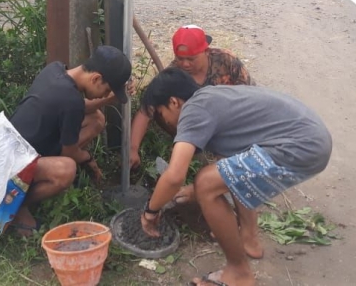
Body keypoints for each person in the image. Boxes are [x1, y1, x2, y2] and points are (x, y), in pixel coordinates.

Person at [139, 68, 332, 286]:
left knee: (205, 182)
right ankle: (249, 239)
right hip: (314, 141)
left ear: (173, 102)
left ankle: (239, 274)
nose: (164, 124)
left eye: (160, 116)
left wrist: (150, 211)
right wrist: (195, 191)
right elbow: (231, 165)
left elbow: (174, 176)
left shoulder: (193, 109)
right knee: (226, 171)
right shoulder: (214, 98)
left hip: (301, 145)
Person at [8, 45, 132, 234]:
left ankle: (29, 186)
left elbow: (77, 107)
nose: (105, 95)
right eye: (106, 90)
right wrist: (89, 160)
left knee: (96, 119)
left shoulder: (56, 70)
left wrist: (108, 100)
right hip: (14, 164)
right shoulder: (70, 101)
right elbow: (70, 152)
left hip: (12, 146)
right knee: (66, 169)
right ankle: (15, 205)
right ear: (96, 78)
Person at [129, 25, 253, 168]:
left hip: (231, 123)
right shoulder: (174, 73)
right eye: (180, 58)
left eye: (191, 59)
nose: (185, 64)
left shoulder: (227, 61)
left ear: (206, 51)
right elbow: (146, 110)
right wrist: (133, 148)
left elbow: (248, 98)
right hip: (196, 132)